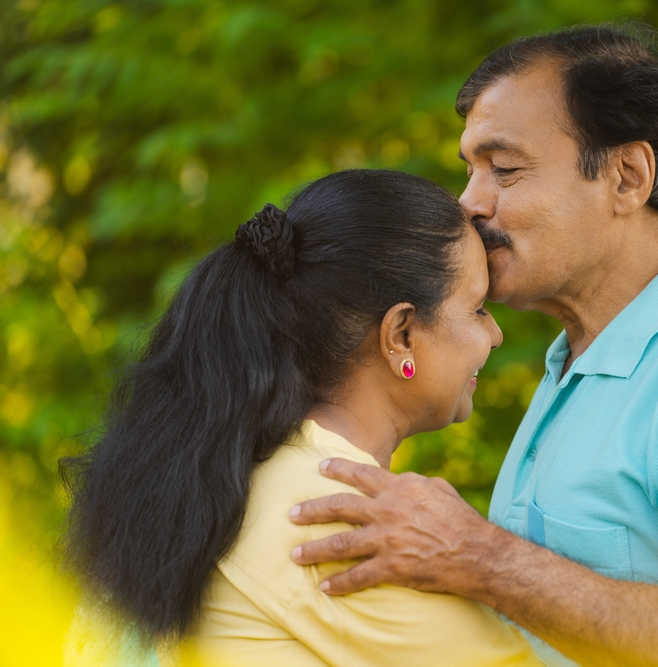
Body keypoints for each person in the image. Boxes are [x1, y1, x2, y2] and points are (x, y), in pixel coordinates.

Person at [288, 24, 658, 667]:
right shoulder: (579, 359)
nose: (469, 203)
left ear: (626, 177)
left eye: (503, 169)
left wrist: (480, 556)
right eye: (470, 170)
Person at [62, 169, 544, 666]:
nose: (496, 336)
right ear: (400, 334)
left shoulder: (242, 467)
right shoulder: (337, 519)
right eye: (478, 309)